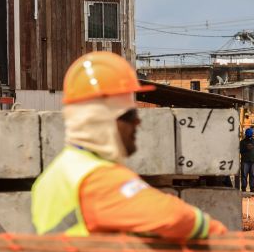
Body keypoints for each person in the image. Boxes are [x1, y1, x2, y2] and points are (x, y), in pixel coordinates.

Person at [31, 51, 227, 239]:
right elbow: (173, 217)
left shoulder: (53, 175)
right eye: (130, 115)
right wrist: (215, 232)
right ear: (103, 121)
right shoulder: (97, 179)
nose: (138, 122)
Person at [239, 127, 254, 193]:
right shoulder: (242, 142)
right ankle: (243, 189)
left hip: (253, 162)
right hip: (245, 162)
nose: (250, 136)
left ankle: (252, 188)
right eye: (249, 135)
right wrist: (246, 148)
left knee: (253, 175)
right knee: (244, 175)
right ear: (246, 135)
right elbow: (240, 151)